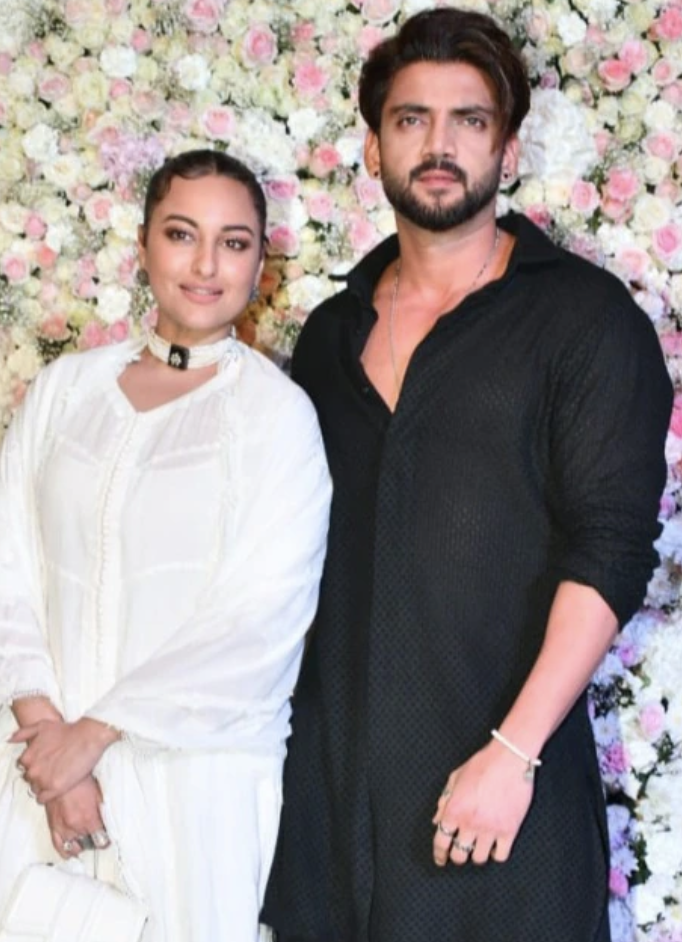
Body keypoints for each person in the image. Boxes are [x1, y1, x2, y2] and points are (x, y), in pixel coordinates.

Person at [262, 9, 673, 942]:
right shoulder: (329, 336)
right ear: (374, 148)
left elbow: (611, 549)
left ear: (509, 148)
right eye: (411, 119)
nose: (439, 145)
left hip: (498, 805)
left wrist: (513, 753)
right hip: (330, 816)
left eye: (470, 120)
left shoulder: (584, 320)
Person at [0, 149, 331, 942]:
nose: (206, 265)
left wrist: (92, 738)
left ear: (261, 263)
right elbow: (9, 566)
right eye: (182, 234)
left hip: (193, 780)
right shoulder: (66, 392)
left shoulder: (276, 418)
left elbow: (259, 621)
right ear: (144, 244)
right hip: (35, 765)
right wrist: (51, 744)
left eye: (234, 242)